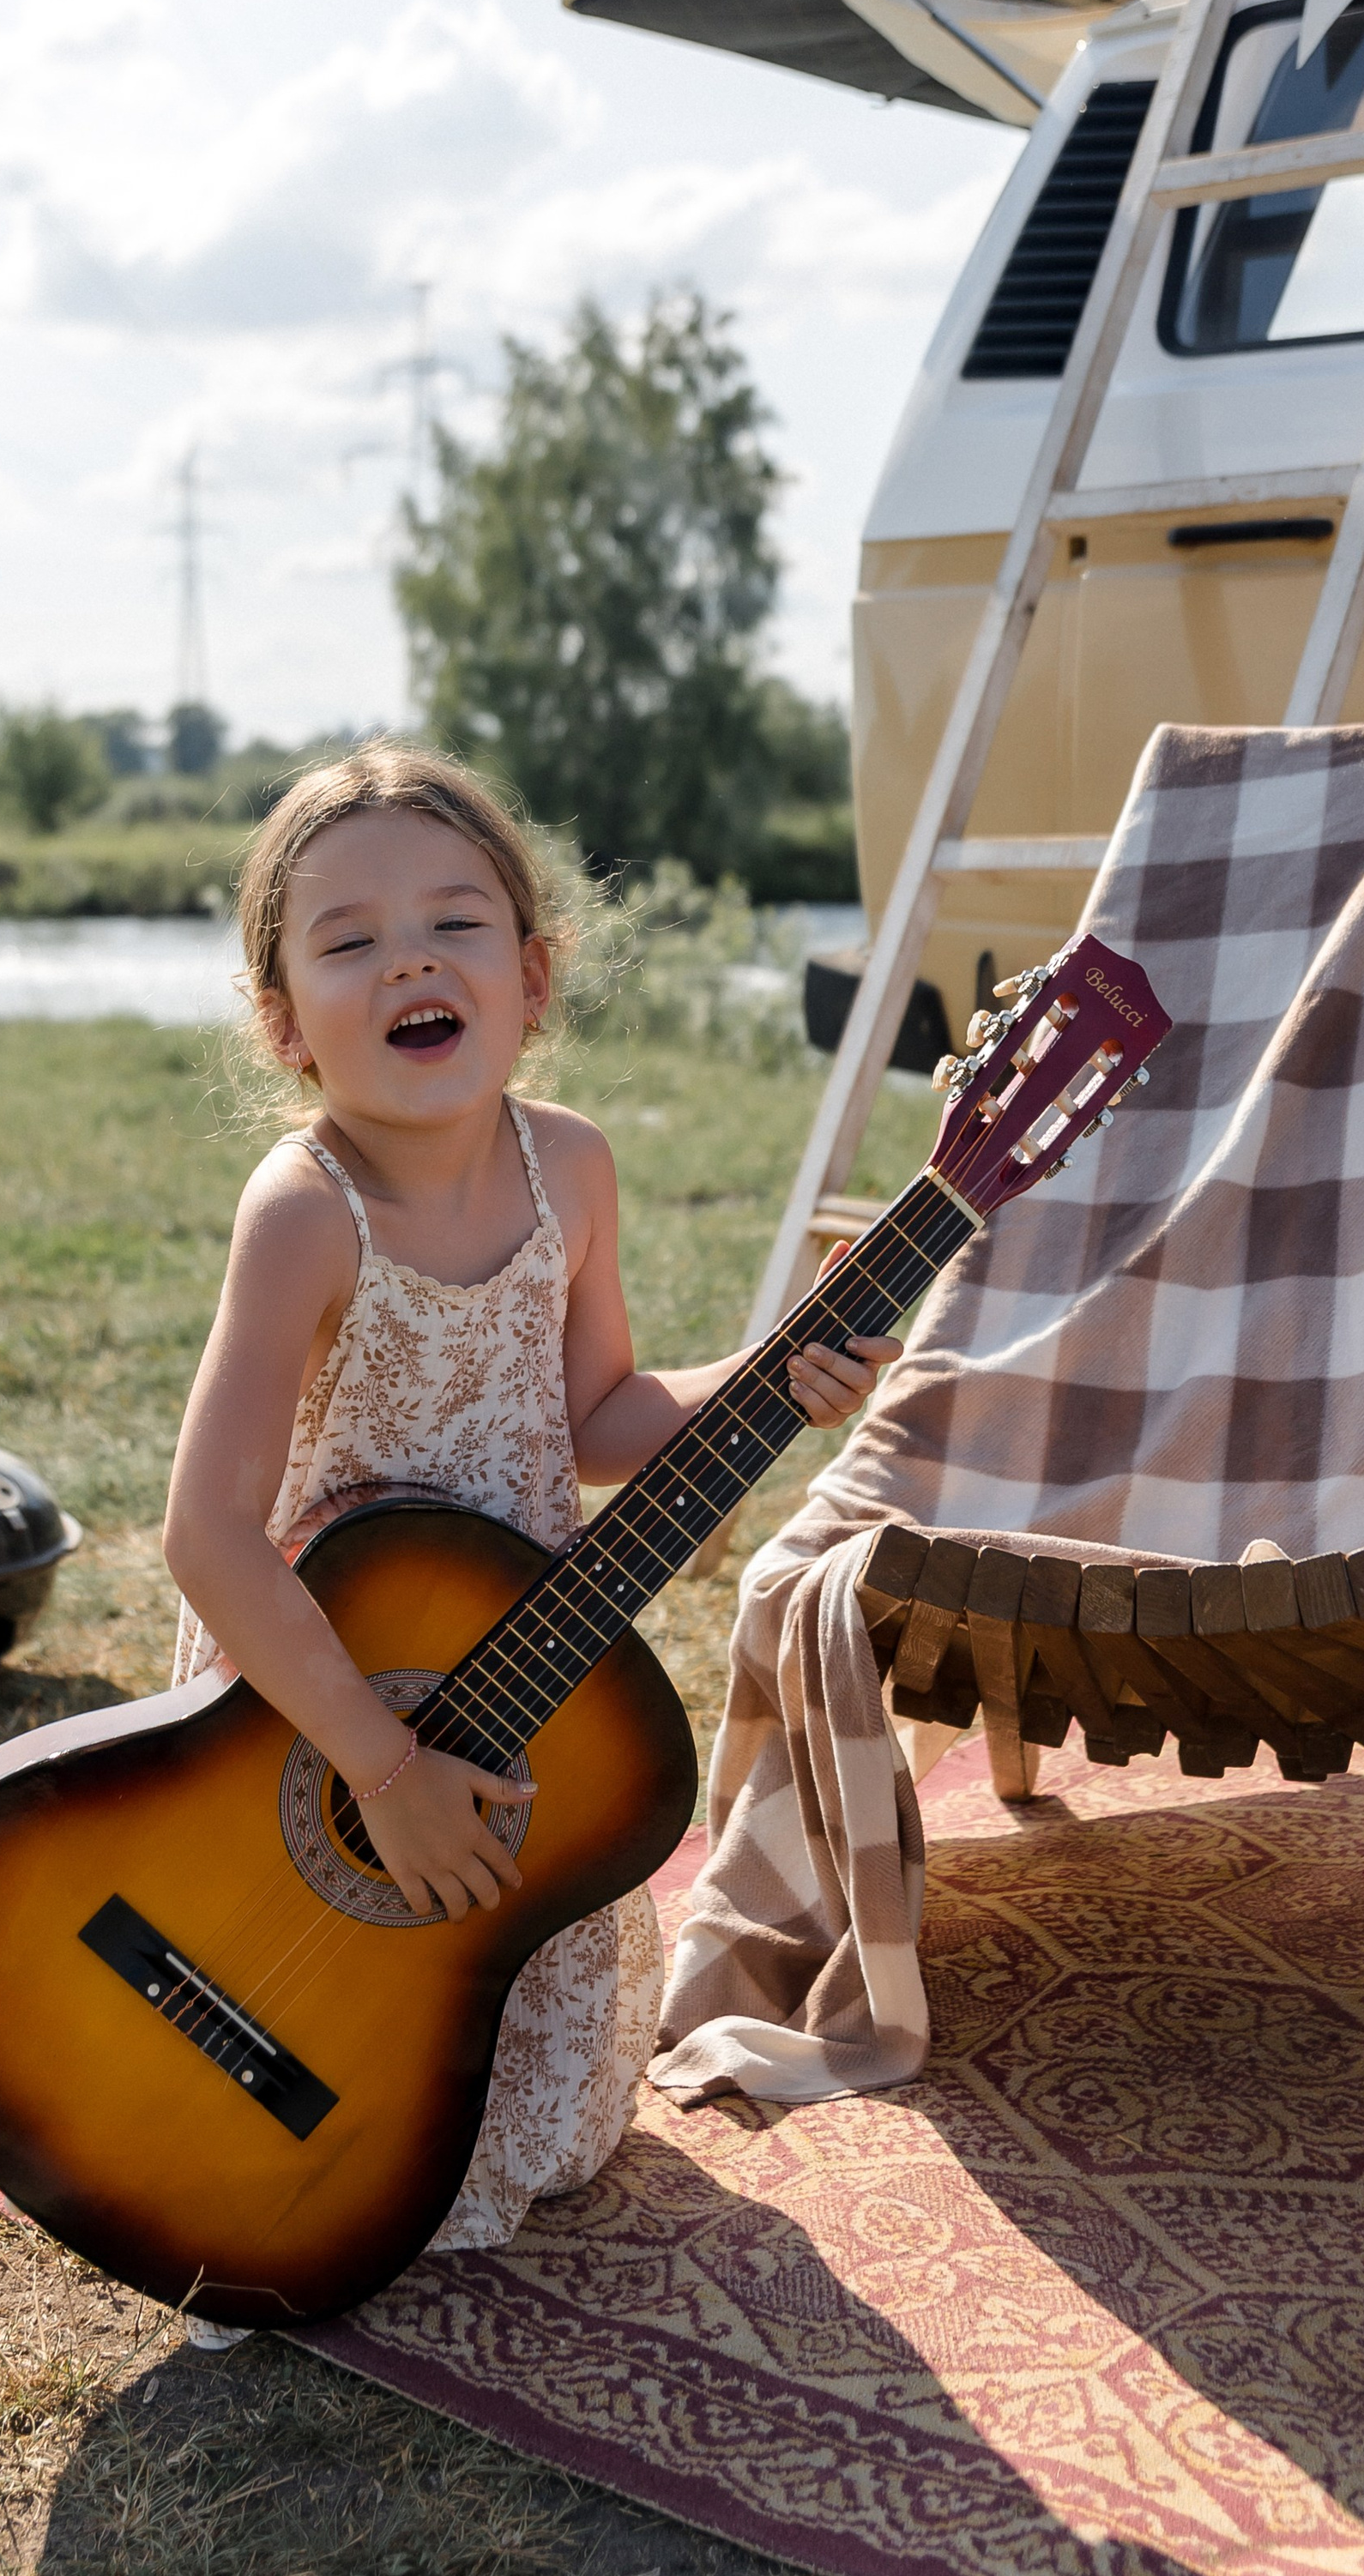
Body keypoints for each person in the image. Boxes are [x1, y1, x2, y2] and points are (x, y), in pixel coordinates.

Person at [161, 741, 898, 2321]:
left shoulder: (570, 1167)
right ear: (287, 1026)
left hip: (512, 1680)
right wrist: (379, 1764)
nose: (411, 960)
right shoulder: (305, 1213)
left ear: (533, 975)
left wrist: (779, 1377)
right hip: (318, 1695)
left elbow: (603, 1414)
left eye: (457, 924)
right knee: (314, 1980)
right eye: (349, 941)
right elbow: (209, 1537)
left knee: (542, 2121)